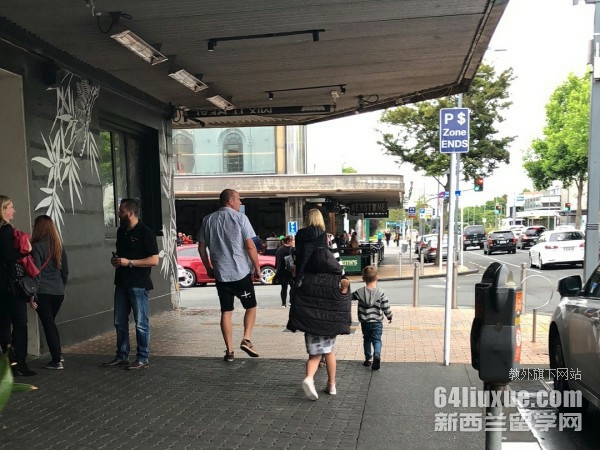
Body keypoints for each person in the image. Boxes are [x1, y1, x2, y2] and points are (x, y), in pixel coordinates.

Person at [289, 208, 351, 401]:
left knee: (314, 349)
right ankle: (331, 385)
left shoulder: (299, 238)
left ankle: (310, 377)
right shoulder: (328, 238)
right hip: (327, 294)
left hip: (307, 294)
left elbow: (296, 264)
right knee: (329, 350)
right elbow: (338, 266)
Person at [197, 189, 261, 362]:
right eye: (238, 199)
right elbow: (250, 246)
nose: (240, 203)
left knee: (226, 311)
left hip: (220, 274)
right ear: (230, 201)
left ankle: (229, 351)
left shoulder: (208, 220)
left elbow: (201, 247)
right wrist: (257, 268)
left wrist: (208, 267)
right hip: (241, 272)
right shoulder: (241, 218)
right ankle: (246, 338)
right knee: (251, 306)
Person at [105, 199, 159, 370]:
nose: (118, 214)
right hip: (121, 282)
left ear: (130, 213)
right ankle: (122, 355)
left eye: (121, 211)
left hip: (139, 283)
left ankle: (143, 357)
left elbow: (154, 260)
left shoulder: (146, 232)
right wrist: (116, 261)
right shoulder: (121, 231)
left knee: (141, 322)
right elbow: (122, 256)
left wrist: (129, 262)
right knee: (119, 321)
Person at [0, 195, 36, 376]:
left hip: (2, 288)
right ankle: (19, 362)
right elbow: (9, 257)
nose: (13, 210)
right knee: (20, 324)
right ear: (3, 209)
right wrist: (25, 251)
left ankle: (9, 362)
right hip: (11, 286)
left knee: (4, 325)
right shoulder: (6, 230)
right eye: (11, 207)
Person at [30, 215, 69, 370]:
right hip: (58, 292)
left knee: (48, 325)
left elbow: (36, 274)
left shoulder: (36, 247)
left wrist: (32, 295)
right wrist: (61, 287)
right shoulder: (58, 245)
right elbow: (65, 271)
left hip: (43, 292)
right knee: (51, 323)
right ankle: (58, 353)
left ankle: (56, 360)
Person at [352, 265, 393, 370]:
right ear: (377, 277)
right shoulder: (381, 293)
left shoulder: (359, 292)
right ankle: (377, 355)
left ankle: (368, 359)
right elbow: (385, 306)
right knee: (377, 340)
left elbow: (349, 297)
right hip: (377, 322)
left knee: (367, 339)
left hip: (365, 322)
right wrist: (389, 316)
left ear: (363, 278)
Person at [272, 235, 294, 307]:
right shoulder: (292, 249)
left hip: (282, 271)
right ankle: (291, 301)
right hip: (291, 271)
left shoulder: (279, 249)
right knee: (293, 287)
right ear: (288, 241)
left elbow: (277, 260)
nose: (293, 242)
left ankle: (283, 303)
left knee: (284, 288)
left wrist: (277, 269)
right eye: (292, 240)